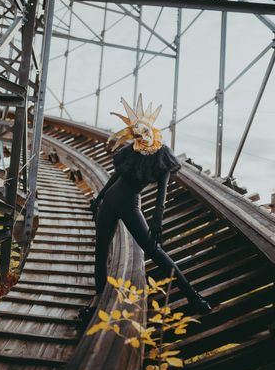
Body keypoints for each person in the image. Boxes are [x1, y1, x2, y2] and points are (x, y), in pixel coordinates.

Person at [89, 94, 211, 314]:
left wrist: (157, 219)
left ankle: (193, 297)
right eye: (137, 134)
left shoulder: (162, 154)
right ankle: (99, 300)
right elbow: (117, 176)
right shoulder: (133, 148)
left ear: (152, 129)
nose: (141, 137)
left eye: (144, 132)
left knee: (155, 251)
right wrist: (99, 197)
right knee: (100, 251)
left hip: (129, 205)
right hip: (109, 202)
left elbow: (162, 191)